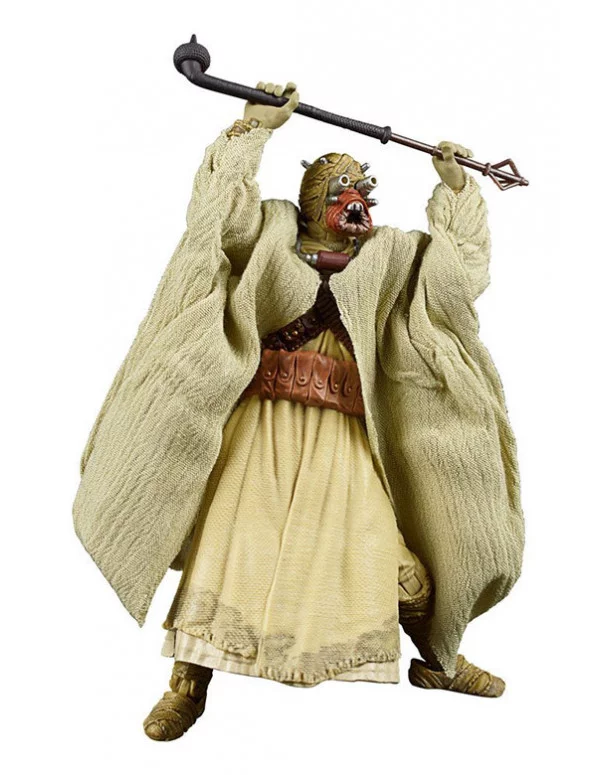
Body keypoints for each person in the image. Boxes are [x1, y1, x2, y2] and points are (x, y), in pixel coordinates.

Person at [74, 81, 524, 743]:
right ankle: (187, 685)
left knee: (397, 568)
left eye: (363, 188)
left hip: (344, 435)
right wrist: (252, 130)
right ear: (314, 195)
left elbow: (458, 280)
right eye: (342, 187)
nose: (356, 198)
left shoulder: (392, 255)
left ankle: (440, 660)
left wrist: (456, 192)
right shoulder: (269, 233)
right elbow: (214, 221)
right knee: (229, 556)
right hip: (260, 431)